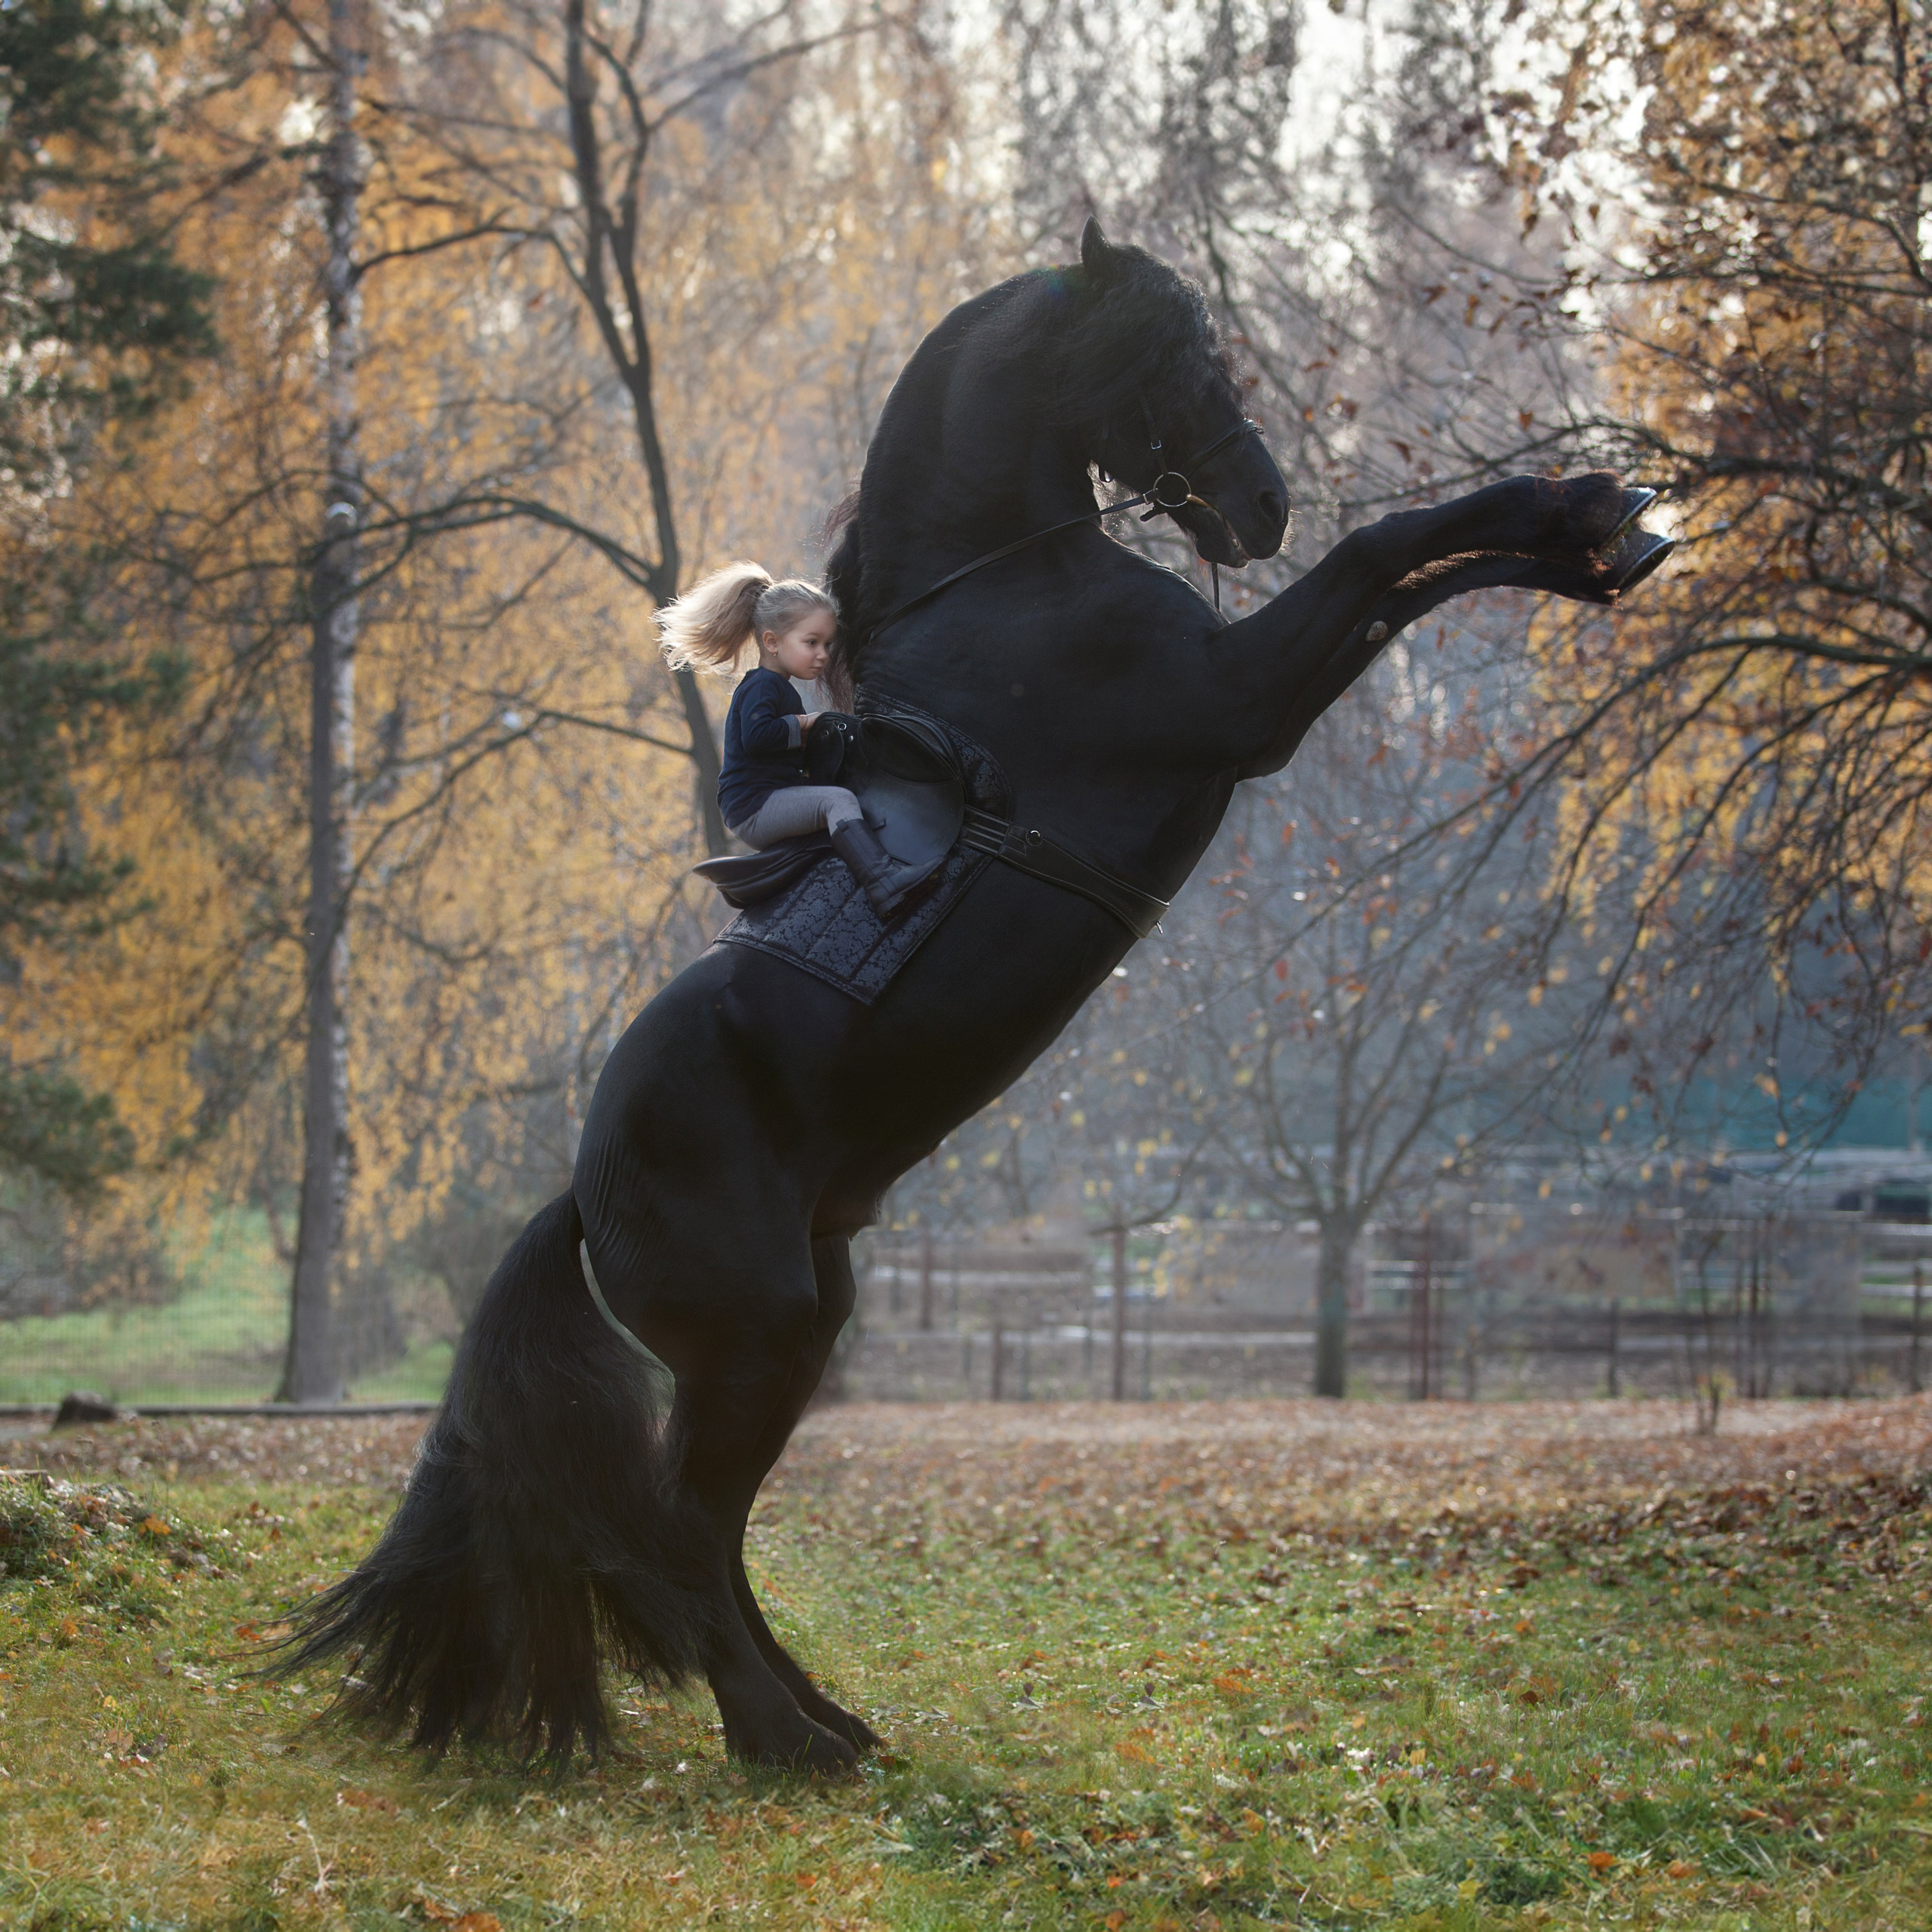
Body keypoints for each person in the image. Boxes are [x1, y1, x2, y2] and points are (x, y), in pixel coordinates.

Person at [657, 562, 940, 918]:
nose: (823, 654)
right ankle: (884, 882)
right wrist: (804, 724)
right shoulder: (762, 686)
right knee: (837, 801)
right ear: (772, 642)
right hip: (754, 806)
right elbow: (758, 738)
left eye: (828, 644)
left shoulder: (779, 687)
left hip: (765, 799)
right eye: (812, 643)